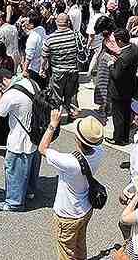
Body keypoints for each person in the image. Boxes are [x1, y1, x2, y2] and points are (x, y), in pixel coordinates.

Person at [39, 110, 105, 260]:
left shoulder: (69, 162)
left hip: (67, 214)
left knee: (66, 253)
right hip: (86, 209)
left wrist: (53, 124)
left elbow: (42, 148)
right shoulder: (100, 152)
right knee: (80, 246)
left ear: (78, 139)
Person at [0, 67, 41, 211]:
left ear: (4, 80)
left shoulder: (11, 94)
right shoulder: (31, 82)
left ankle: (14, 202)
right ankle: (30, 192)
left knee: (13, 170)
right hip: (36, 136)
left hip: (19, 140)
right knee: (31, 169)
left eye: (0, 85)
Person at [44, 13, 82, 122]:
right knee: (72, 95)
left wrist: (42, 69)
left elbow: (44, 56)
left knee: (56, 97)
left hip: (57, 73)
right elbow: (82, 50)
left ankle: (57, 120)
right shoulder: (77, 36)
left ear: (56, 22)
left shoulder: (50, 38)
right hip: (73, 71)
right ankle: (72, 116)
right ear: (68, 22)